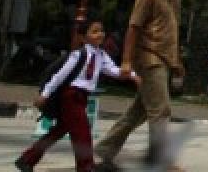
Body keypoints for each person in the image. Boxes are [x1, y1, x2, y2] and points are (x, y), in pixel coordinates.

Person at [93, 0, 193, 172]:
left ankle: (104, 150)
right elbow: (133, 28)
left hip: (165, 58)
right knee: (161, 109)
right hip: (149, 58)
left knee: (137, 112)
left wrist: (176, 61)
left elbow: (173, 29)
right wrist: (127, 61)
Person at [16, 18, 138, 172]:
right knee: (82, 133)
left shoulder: (101, 55)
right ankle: (86, 167)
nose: (100, 34)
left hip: (82, 98)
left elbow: (114, 71)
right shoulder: (77, 55)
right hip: (71, 96)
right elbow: (59, 76)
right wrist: (45, 94)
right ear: (83, 37)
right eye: (94, 31)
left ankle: (27, 159)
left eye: (101, 30)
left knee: (58, 131)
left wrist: (133, 75)